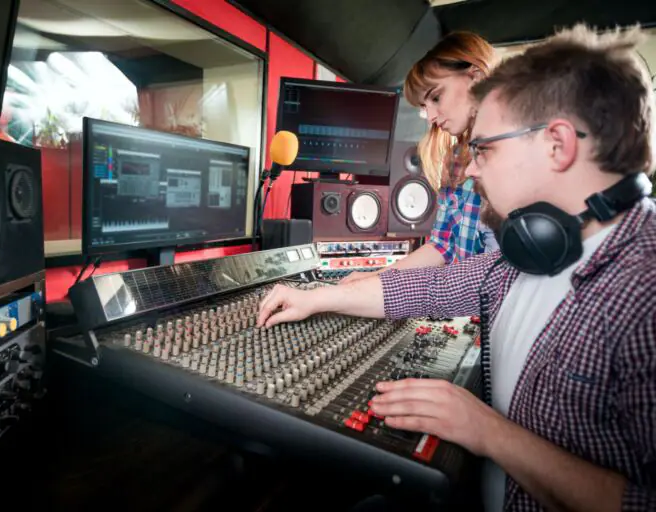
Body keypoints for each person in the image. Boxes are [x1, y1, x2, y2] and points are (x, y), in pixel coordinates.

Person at [258, 23, 656, 512]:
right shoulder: (524, 255)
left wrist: (487, 432)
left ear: (557, 145)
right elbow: (429, 288)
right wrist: (317, 296)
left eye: (485, 149)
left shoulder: (644, 291)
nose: (468, 168)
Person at [341, 32, 499, 285]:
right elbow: (442, 246)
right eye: (425, 107)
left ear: (476, 77)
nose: (432, 116)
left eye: (436, 97)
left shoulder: (521, 154)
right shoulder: (456, 158)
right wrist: (374, 278)